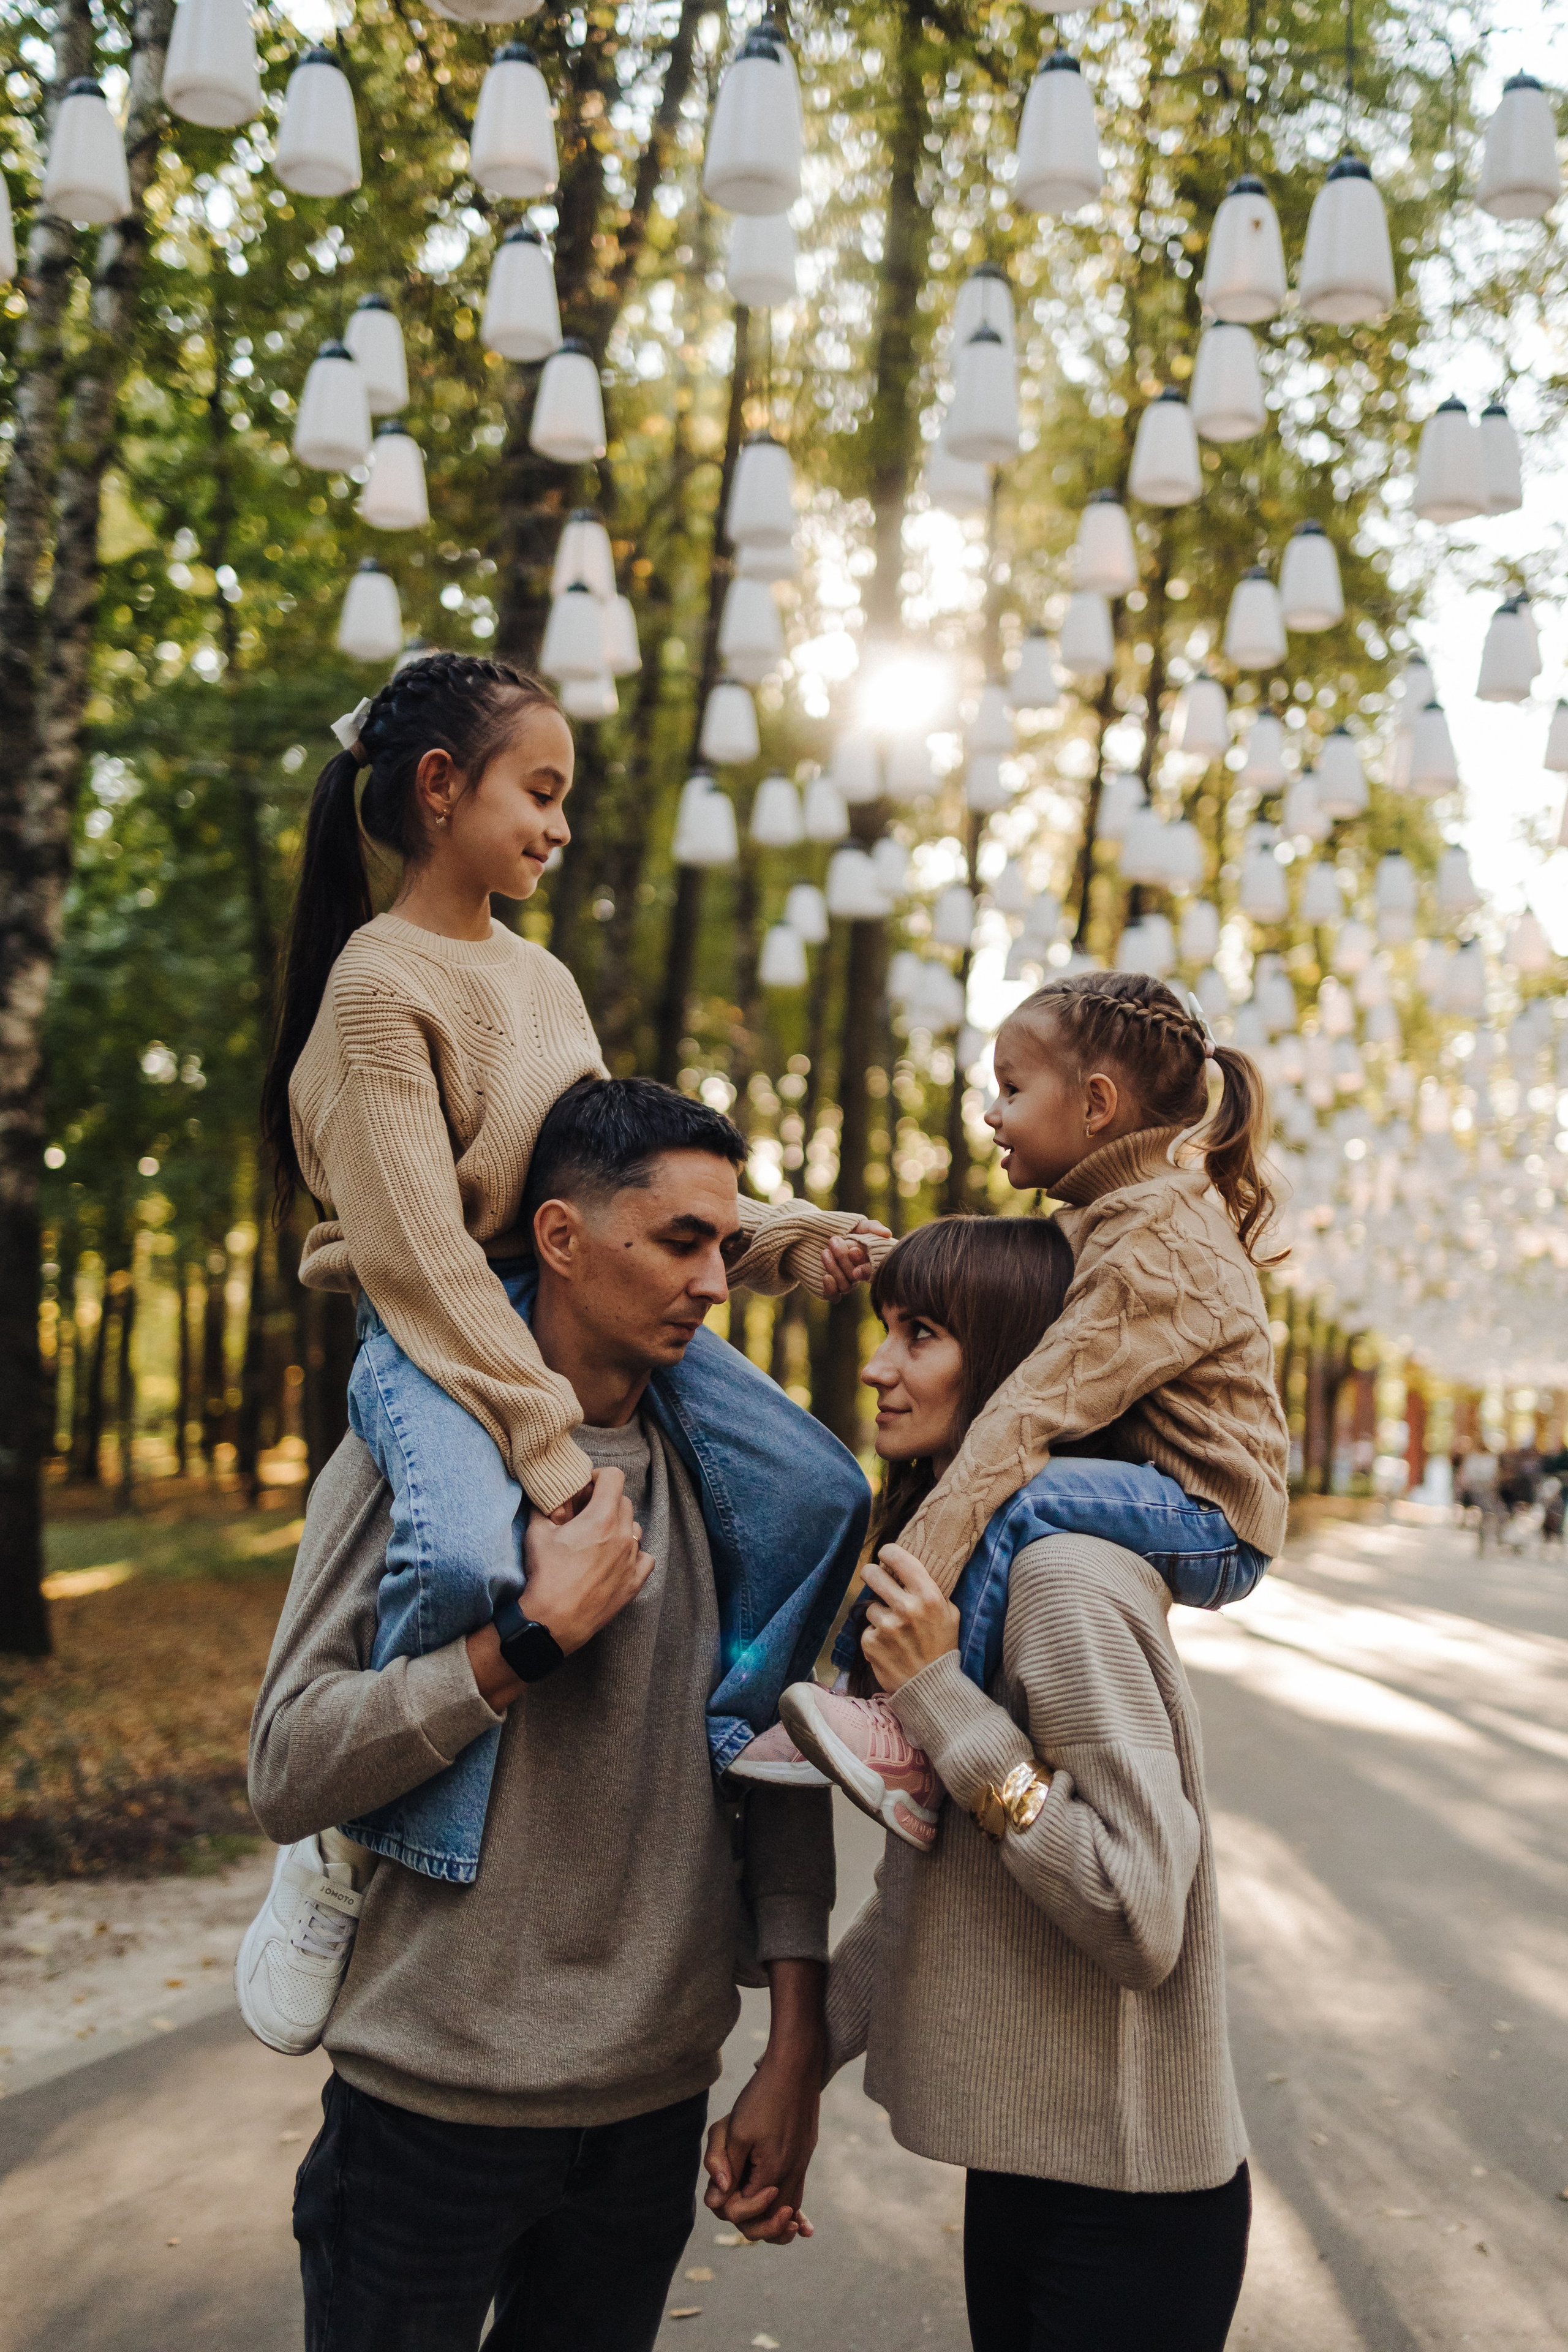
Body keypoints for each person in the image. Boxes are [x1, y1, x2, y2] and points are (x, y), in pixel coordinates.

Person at [240, 653, 881, 2049]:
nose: (558, 825)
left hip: (545, 1278)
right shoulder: (374, 985)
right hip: (433, 1324)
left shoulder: (536, 977)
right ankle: (350, 1847)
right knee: (473, 1556)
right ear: (435, 788)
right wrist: (544, 1447)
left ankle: (732, 1736)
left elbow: (615, 1179)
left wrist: (782, 1243)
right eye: (538, 792)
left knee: (818, 1488)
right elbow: (418, 1255)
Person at [247, 1080, 852, 2351]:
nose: (711, 1283)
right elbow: (288, 1763)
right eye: (678, 1242)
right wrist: (519, 1648)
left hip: (646, 2118)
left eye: (723, 1248)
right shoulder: (418, 1467)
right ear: (563, 1240)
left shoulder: (735, 1493)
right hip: (427, 2110)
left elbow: (772, 1757)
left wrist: (792, 2043)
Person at [810, 1215, 1250, 2352]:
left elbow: (1138, 1913)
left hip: (1126, 2216)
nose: (879, 1365)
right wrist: (798, 2061)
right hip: (1035, 2182)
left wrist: (946, 1706)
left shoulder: (1063, 1582)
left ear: (1015, 1367)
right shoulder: (986, 1578)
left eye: (922, 1335)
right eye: (885, 1329)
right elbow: (941, 1882)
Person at [782, 970, 1288, 1846]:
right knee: (1016, 1485)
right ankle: (852, 1698)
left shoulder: (1157, 1240)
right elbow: (1018, 1276)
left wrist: (904, 1618)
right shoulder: (1123, 1211)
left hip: (1211, 1513)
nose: (992, 1114)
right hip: (1156, 1486)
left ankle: (910, 1733)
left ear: (1096, 1102)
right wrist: (885, 1260)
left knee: (1018, 1492)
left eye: (1012, 1090)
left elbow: (1029, 1412)